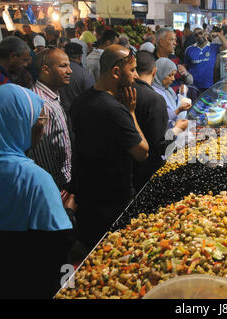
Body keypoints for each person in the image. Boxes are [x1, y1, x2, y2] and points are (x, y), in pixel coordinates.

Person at [0, 84, 74, 299]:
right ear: (18, 124)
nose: (42, 129)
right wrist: (68, 211)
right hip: (28, 281)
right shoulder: (33, 178)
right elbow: (58, 243)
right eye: (39, 121)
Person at [70, 44, 149, 250]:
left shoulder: (80, 101)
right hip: (113, 202)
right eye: (132, 70)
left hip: (87, 198)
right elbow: (142, 152)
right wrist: (131, 113)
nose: (136, 76)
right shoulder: (115, 110)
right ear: (116, 72)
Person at [133, 51, 187, 190]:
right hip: (149, 167)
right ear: (155, 71)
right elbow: (160, 145)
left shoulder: (126, 92)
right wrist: (177, 129)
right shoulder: (154, 98)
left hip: (131, 167)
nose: (172, 78)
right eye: (170, 74)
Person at [27, 48, 73, 191]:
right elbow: (42, 156)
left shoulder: (52, 97)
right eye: (63, 66)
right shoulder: (42, 103)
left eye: (69, 65)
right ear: (46, 70)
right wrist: (57, 188)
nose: (70, 71)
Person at [184, 27, 227, 92]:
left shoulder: (213, 47)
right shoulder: (189, 49)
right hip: (193, 87)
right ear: (194, 37)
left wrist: (218, 34)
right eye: (196, 35)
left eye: (200, 33)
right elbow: (185, 67)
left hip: (208, 87)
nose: (199, 36)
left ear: (204, 33)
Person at [152, 58, 191, 128]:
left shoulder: (167, 90)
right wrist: (180, 108)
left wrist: (183, 94)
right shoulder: (155, 93)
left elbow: (181, 116)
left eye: (174, 75)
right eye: (170, 75)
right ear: (160, 73)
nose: (173, 79)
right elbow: (165, 119)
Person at [154, 28, 193, 92]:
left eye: (175, 40)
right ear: (161, 42)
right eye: (172, 40)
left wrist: (185, 74)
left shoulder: (176, 59)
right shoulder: (151, 61)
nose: (175, 43)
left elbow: (190, 81)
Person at [59, 43, 95, 113]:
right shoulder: (85, 74)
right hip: (77, 114)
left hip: (59, 112)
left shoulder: (56, 70)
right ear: (80, 57)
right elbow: (92, 98)